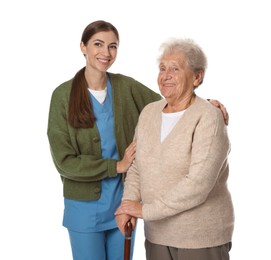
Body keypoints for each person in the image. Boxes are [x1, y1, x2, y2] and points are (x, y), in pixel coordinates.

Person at [47, 20, 229, 260]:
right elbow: (64, 162)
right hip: (84, 207)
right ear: (83, 46)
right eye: (98, 44)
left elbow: (172, 100)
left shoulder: (125, 87)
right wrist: (116, 166)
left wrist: (208, 104)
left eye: (113, 46)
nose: (106, 52)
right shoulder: (63, 95)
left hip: (123, 203)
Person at [115, 38, 234, 260]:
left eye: (175, 69)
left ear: (197, 77)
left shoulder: (209, 117)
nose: (166, 75)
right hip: (157, 235)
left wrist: (144, 210)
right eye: (162, 68)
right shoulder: (149, 113)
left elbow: (198, 184)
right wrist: (128, 205)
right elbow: (136, 168)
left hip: (200, 237)